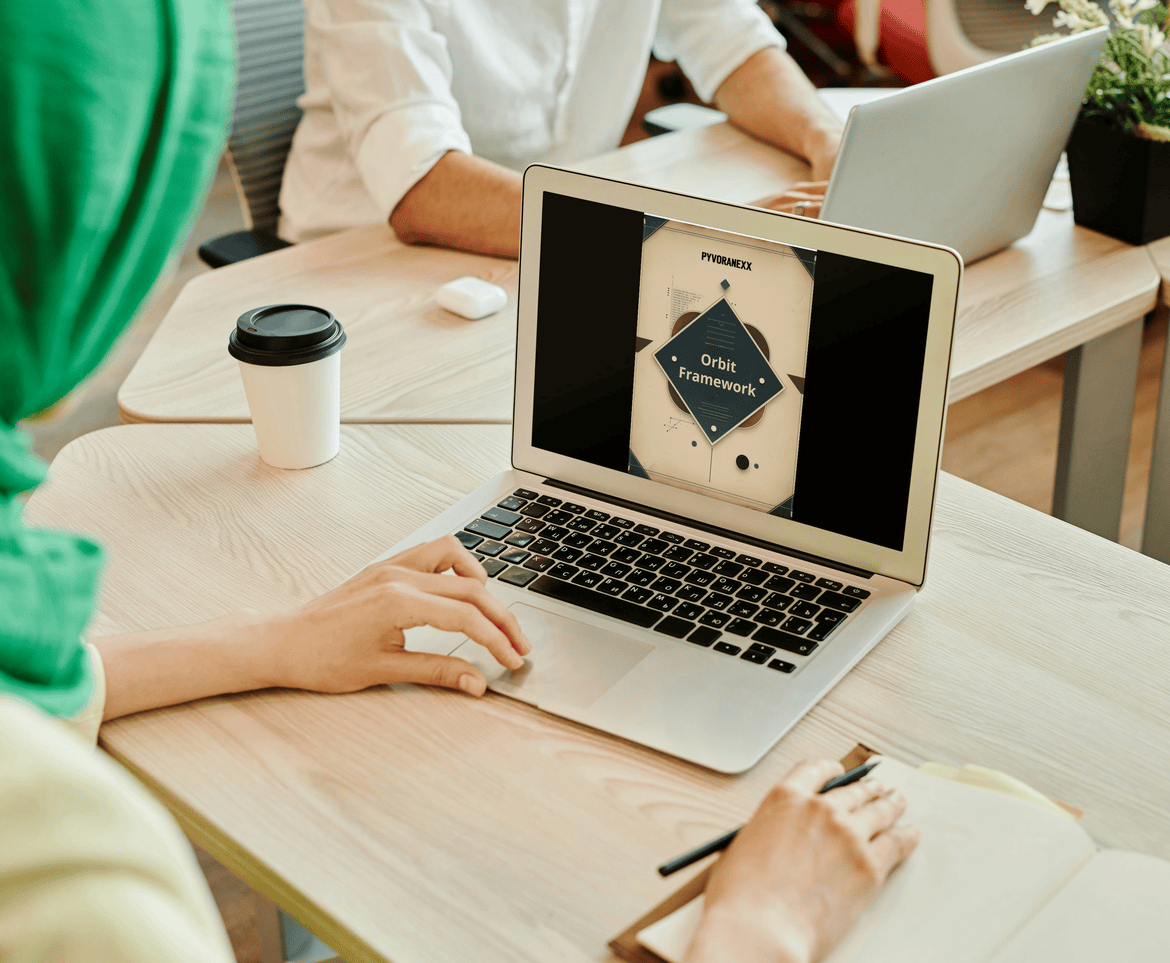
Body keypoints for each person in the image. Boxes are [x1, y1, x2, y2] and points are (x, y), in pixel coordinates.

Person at [0, 5, 912, 959]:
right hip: (376, 295)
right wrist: (759, 924)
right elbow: (422, 183)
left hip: (563, 293)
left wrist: (271, 641)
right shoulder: (79, 882)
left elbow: (33, 684)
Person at [277, 0, 844, 255]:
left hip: (570, 232)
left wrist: (829, 139)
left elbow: (733, 40)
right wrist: (688, 237)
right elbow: (423, 188)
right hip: (364, 254)